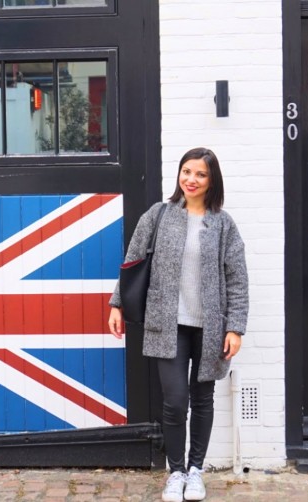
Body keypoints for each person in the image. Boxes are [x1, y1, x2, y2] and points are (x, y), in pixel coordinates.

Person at [108, 147, 249, 502]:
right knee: (174, 401)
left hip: (210, 327)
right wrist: (117, 304)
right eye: (187, 171)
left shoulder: (223, 224)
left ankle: (196, 470)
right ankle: (176, 472)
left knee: (202, 398)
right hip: (167, 323)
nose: (191, 179)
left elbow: (237, 278)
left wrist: (235, 327)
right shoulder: (158, 215)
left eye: (200, 174)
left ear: (212, 180)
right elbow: (132, 262)